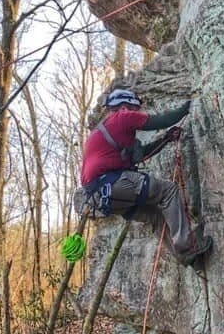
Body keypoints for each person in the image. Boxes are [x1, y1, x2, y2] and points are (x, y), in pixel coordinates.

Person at [79, 87, 212, 266]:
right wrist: (186, 107)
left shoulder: (105, 133)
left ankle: (185, 256)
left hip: (101, 198)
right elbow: (160, 121)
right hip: (111, 184)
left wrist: (166, 139)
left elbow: (141, 156)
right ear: (125, 106)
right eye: (136, 109)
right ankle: (187, 246)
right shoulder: (122, 117)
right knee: (168, 191)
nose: (138, 113)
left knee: (155, 216)